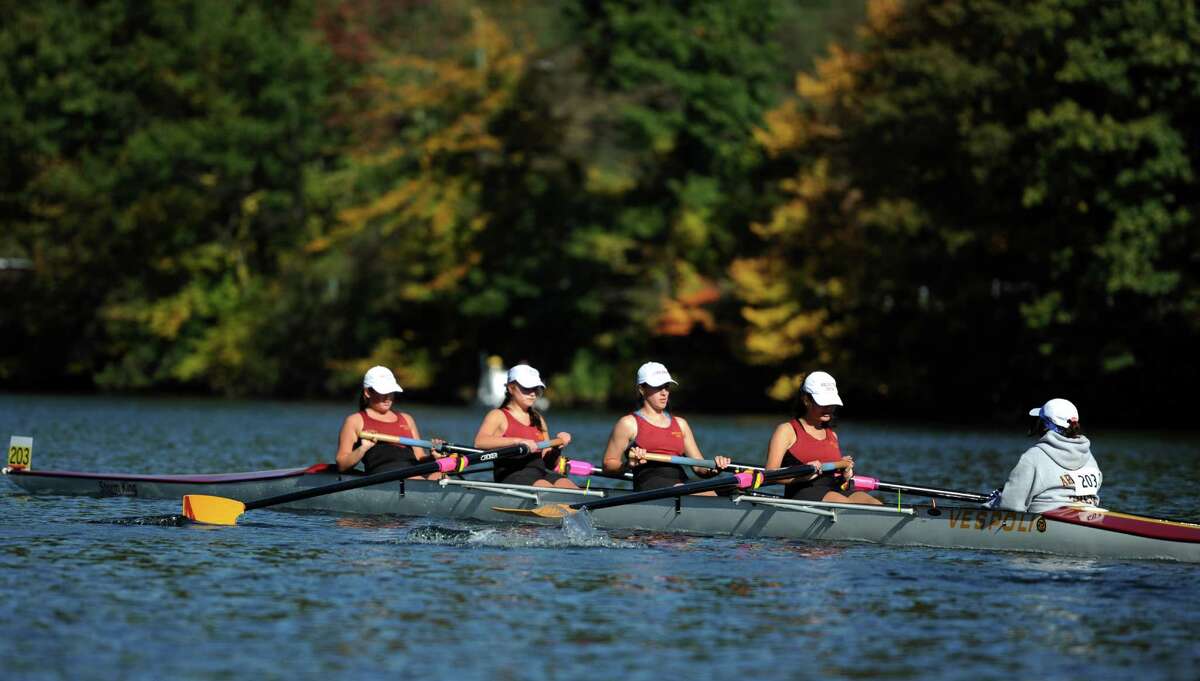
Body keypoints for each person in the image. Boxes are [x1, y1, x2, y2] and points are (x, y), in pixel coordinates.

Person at [601, 362, 731, 492]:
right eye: (658, 387)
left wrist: (716, 468)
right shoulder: (628, 423)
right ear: (642, 389)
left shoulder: (681, 424)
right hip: (650, 487)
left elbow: (699, 469)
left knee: (733, 489)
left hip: (681, 484)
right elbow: (608, 465)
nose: (664, 393)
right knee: (700, 492)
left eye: (667, 387)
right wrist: (628, 464)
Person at [763, 371, 881, 505]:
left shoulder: (832, 435)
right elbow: (770, 474)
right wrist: (802, 477)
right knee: (845, 504)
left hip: (835, 487)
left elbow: (834, 471)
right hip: (804, 490)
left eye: (831, 403)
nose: (829, 408)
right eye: (823, 403)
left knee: (875, 504)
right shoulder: (786, 430)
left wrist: (846, 473)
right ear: (806, 400)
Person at [473, 364, 577, 488]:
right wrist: (519, 442)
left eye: (535, 389)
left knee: (568, 485)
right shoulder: (497, 415)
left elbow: (549, 463)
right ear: (511, 388)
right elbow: (479, 442)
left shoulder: (538, 418)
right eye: (527, 388)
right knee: (544, 486)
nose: (533, 393)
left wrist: (557, 447)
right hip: (512, 474)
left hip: (541, 472)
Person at [989, 398, 1101, 513]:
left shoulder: (1033, 457)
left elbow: (1009, 505)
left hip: (1045, 525)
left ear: (1044, 426)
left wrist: (994, 501)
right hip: (1088, 519)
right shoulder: (1090, 458)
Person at [335, 366, 442, 479]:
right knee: (416, 479)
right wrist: (363, 448)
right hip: (384, 472)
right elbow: (342, 465)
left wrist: (433, 457)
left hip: (412, 469)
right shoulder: (354, 421)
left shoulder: (406, 419)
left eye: (391, 391)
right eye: (383, 392)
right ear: (367, 392)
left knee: (440, 476)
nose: (388, 397)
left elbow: (419, 457)